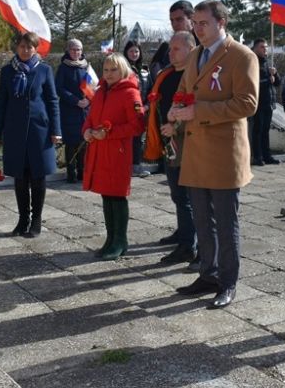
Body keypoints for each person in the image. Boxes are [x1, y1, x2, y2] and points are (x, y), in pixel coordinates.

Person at [169, 0, 258, 310]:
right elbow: (184, 90)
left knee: (225, 220)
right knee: (203, 220)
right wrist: (176, 108)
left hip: (223, 152)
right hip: (196, 151)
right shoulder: (195, 55)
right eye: (195, 23)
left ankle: (228, 282)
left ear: (222, 23)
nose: (197, 28)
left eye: (203, 23)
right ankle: (208, 274)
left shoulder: (241, 56)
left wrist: (198, 111)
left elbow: (247, 104)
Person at [0, 32, 61, 237]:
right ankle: (22, 220)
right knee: (20, 178)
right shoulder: (7, 72)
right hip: (15, 131)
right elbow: (1, 104)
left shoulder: (45, 70)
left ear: (35, 49)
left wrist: (56, 130)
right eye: (22, 46)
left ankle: (36, 220)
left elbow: (53, 101)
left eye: (29, 47)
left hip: (40, 131)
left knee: (38, 177)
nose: (25, 50)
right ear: (16, 48)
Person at [82, 53, 145, 260]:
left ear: (123, 70)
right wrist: (87, 131)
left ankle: (120, 241)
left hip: (117, 152)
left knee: (117, 196)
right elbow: (90, 118)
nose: (109, 74)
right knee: (106, 195)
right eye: (106, 70)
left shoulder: (130, 93)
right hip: (100, 151)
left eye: (113, 70)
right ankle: (111, 239)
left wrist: (109, 133)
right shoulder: (100, 92)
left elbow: (137, 125)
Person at [144, 31, 198, 264]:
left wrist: (175, 126)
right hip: (168, 143)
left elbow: (198, 109)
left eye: (177, 48)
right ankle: (183, 235)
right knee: (177, 194)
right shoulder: (165, 75)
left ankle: (189, 246)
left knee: (189, 197)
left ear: (190, 49)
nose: (171, 53)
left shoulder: (195, 75)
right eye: (170, 49)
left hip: (189, 144)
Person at [55, 39, 92, 182]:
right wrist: (75, 101)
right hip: (69, 110)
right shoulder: (63, 67)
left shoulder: (86, 67)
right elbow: (59, 88)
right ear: (68, 50)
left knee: (83, 142)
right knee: (71, 144)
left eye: (78, 50)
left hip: (84, 111)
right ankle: (71, 173)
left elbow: (92, 86)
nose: (76, 52)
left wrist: (88, 100)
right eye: (73, 49)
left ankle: (82, 172)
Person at [123, 40, 151, 177]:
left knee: (139, 139)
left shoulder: (145, 70)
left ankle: (136, 166)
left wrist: (146, 106)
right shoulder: (122, 69)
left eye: (136, 51)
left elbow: (151, 92)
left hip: (142, 111)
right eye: (131, 51)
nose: (134, 54)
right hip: (126, 111)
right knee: (127, 139)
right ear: (126, 53)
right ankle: (125, 166)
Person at [250, 38, 279, 165]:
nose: (265, 49)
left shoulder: (268, 63)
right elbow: (252, 83)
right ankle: (257, 156)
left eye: (266, 47)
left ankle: (267, 155)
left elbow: (277, 83)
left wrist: (275, 74)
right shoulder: (252, 62)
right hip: (258, 102)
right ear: (255, 48)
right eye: (262, 47)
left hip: (269, 102)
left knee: (266, 130)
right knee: (258, 130)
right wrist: (268, 80)